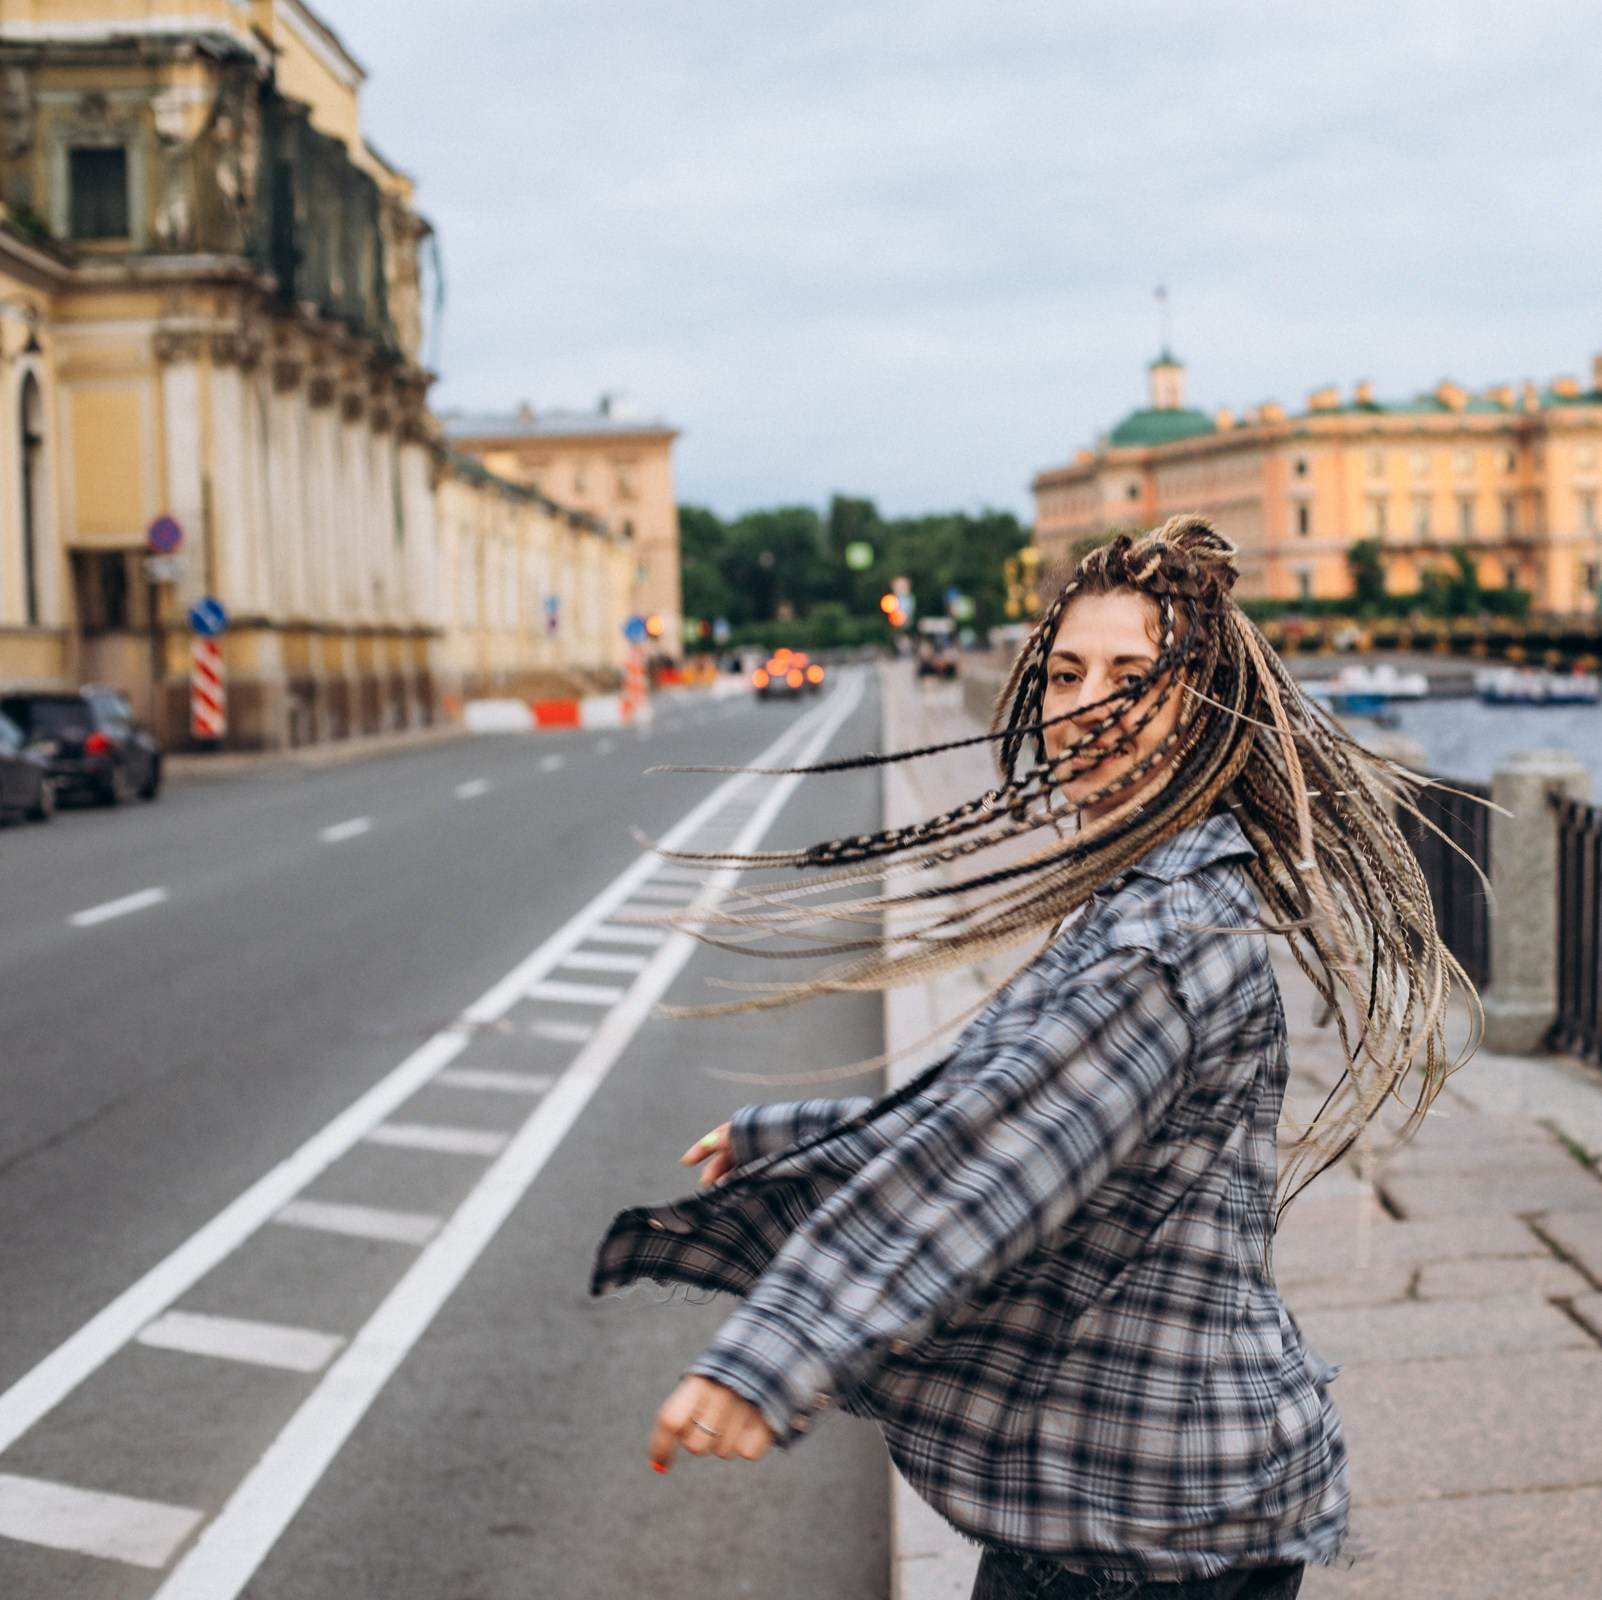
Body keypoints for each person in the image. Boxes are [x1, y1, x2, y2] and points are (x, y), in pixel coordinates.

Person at [591, 516, 1468, 1598]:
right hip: (1163, 1485)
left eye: (1131, 675)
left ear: (1201, 710)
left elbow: (995, 1165)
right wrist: (794, 1135)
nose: (1086, 702)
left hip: (1146, 1527)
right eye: (1064, 672)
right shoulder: (1147, 886)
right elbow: (1007, 1095)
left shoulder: (1163, 936)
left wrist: (775, 1351)